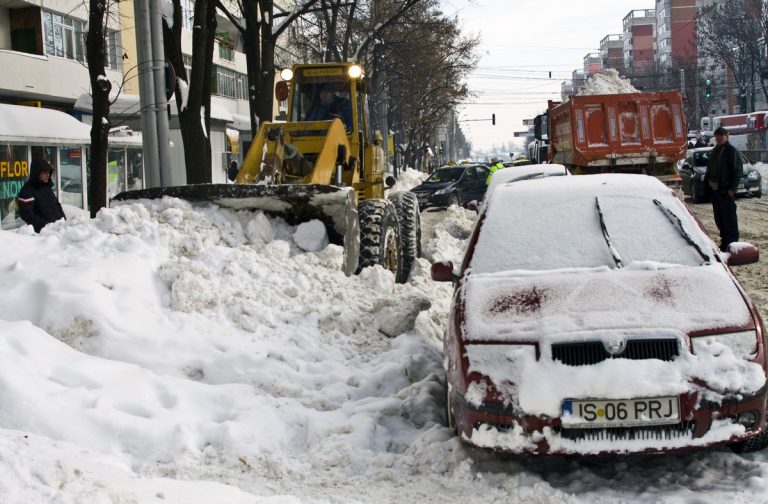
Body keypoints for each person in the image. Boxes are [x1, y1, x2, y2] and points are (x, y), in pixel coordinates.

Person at [705, 126, 743, 252]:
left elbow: (737, 170)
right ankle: (724, 242)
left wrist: (732, 188)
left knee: (729, 220)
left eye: (722, 135)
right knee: (720, 219)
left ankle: (732, 245)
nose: (719, 138)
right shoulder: (716, 150)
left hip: (726, 191)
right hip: (716, 191)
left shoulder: (731, 151)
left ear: (727, 136)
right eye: (717, 136)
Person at [17, 158, 66, 233]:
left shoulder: (47, 187)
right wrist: (45, 225)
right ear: (37, 173)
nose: (48, 175)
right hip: (42, 235)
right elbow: (26, 213)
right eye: (45, 173)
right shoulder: (27, 190)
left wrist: (64, 221)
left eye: (49, 172)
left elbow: (57, 205)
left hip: (59, 230)